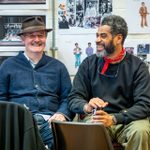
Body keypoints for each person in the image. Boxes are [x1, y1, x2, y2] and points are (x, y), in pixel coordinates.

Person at [68, 15, 150, 150]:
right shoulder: (88, 64)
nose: (97, 40)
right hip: (97, 118)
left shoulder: (138, 66)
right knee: (91, 128)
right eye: (97, 35)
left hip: (130, 120)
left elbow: (145, 105)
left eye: (103, 36)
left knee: (141, 131)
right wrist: (87, 106)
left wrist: (114, 119)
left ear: (118, 38)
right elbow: (73, 98)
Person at [0, 16, 74, 150]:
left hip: (50, 123)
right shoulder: (7, 66)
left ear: (46, 38)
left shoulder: (58, 67)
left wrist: (62, 114)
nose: (37, 40)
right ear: (23, 39)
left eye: (41, 35)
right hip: (19, 124)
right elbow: (1, 99)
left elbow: (68, 97)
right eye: (31, 36)